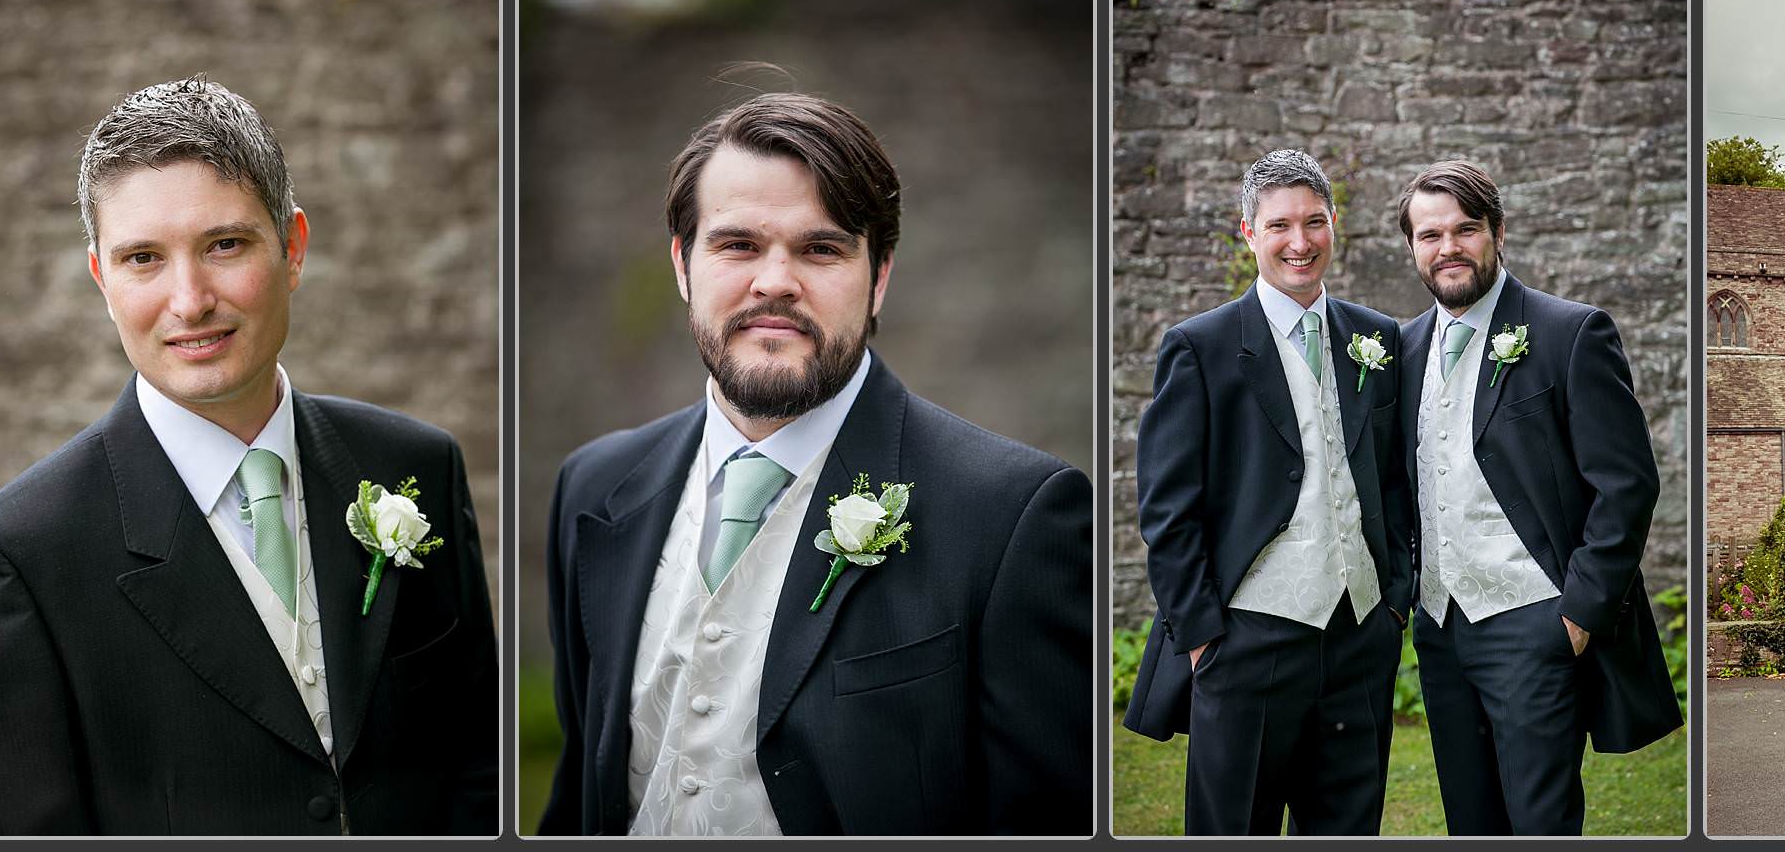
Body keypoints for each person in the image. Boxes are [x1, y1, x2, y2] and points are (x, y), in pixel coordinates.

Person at [0, 76, 498, 835]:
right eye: (143, 259)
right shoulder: (18, 559)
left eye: (224, 244)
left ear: (292, 248)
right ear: (102, 279)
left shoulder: (416, 465)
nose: (190, 298)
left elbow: (475, 767)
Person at [538, 92, 1090, 836]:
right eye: (736, 245)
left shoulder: (1014, 514)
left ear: (880, 276)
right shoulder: (594, 486)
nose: (774, 282)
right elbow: (581, 791)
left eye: (820, 248)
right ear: (682, 264)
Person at [1123, 149, 1412, 835]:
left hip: (1360, 634)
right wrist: (1202, 639)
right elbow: (1168, 509)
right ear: (1248, 232)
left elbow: (1395, 476)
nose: (1301, 241)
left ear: (1335, 225)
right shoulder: (1200, 347)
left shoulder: (1377, 337)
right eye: (1280, 224)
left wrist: (1394, 600)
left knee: (1347, 826)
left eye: (1315, 221)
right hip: (1246, 637)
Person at [1387, 160, 1680, 834]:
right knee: (1471, 821)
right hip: (1439, 628)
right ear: (1412, 247)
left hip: (1536, 622)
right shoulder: (1401, 349)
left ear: (1498, 232)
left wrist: (1578, 612)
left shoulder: (1568, 333)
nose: (1448, 247)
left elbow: (1627, 483)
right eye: (1430, 235)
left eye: (1466, 229)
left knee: (1540, 822)